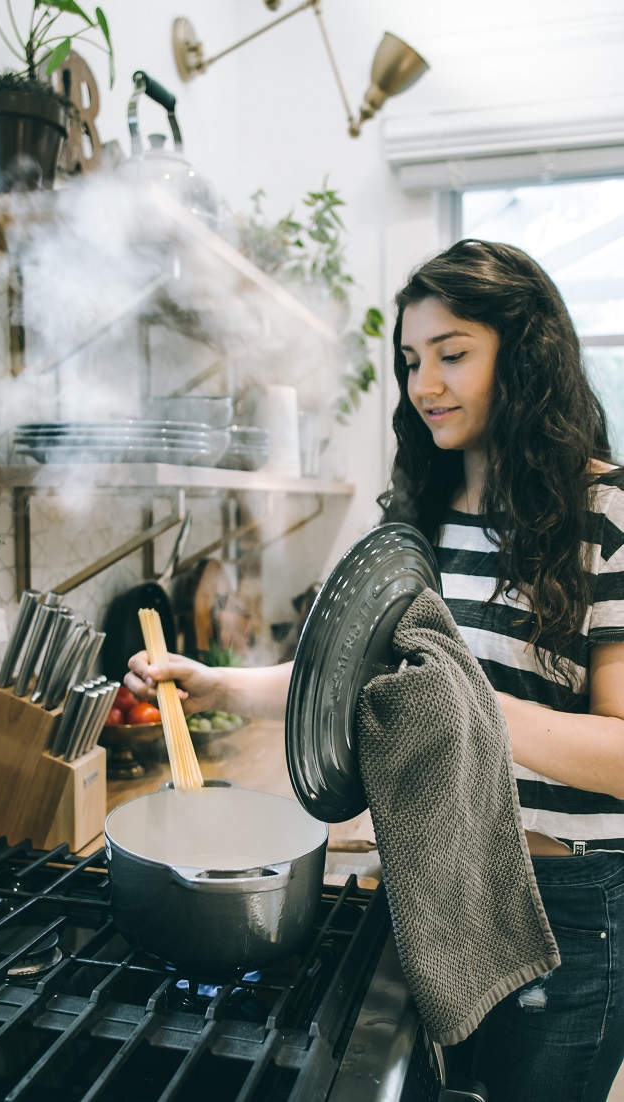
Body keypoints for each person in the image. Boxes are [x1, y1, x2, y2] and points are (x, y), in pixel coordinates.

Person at [126, 238, 624, 1102]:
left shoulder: (605, 511)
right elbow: (356, 673)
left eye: (452, 354)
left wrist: (464, 701)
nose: (422, 384)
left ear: (527, 352)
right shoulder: (419, 517)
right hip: (433, 876)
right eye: (407, 360)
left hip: (567, 905)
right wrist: (219, 685)